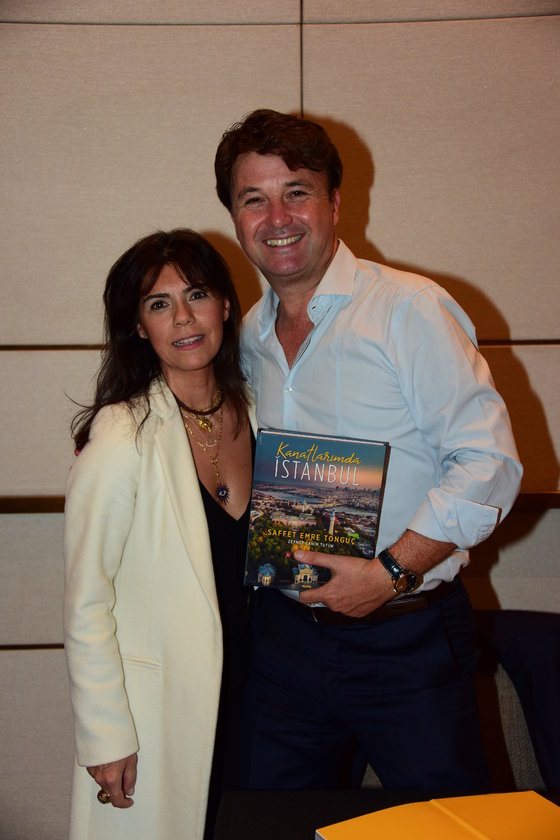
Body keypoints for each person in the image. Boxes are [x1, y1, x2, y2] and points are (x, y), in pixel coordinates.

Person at [214, 109, 523, 792]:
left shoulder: (408, 309)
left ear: (335, 201)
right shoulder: (248, 337)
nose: (277, 218)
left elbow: (490, 465)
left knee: (444, 831)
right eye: (253, 199)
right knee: (272, 824)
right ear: (235, 218)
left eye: (296, 192)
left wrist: (388, 574)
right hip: (285, 641)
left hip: (405, 637)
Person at [63, 229, 255, 840]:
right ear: (139, 328)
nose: (184, 317)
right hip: (162, 711)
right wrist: (105, 733)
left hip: (265, 701)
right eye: (159, 303)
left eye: (197, 294)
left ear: (226, 304)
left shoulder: (262, 414)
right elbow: (87, 599)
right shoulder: (122, 435)